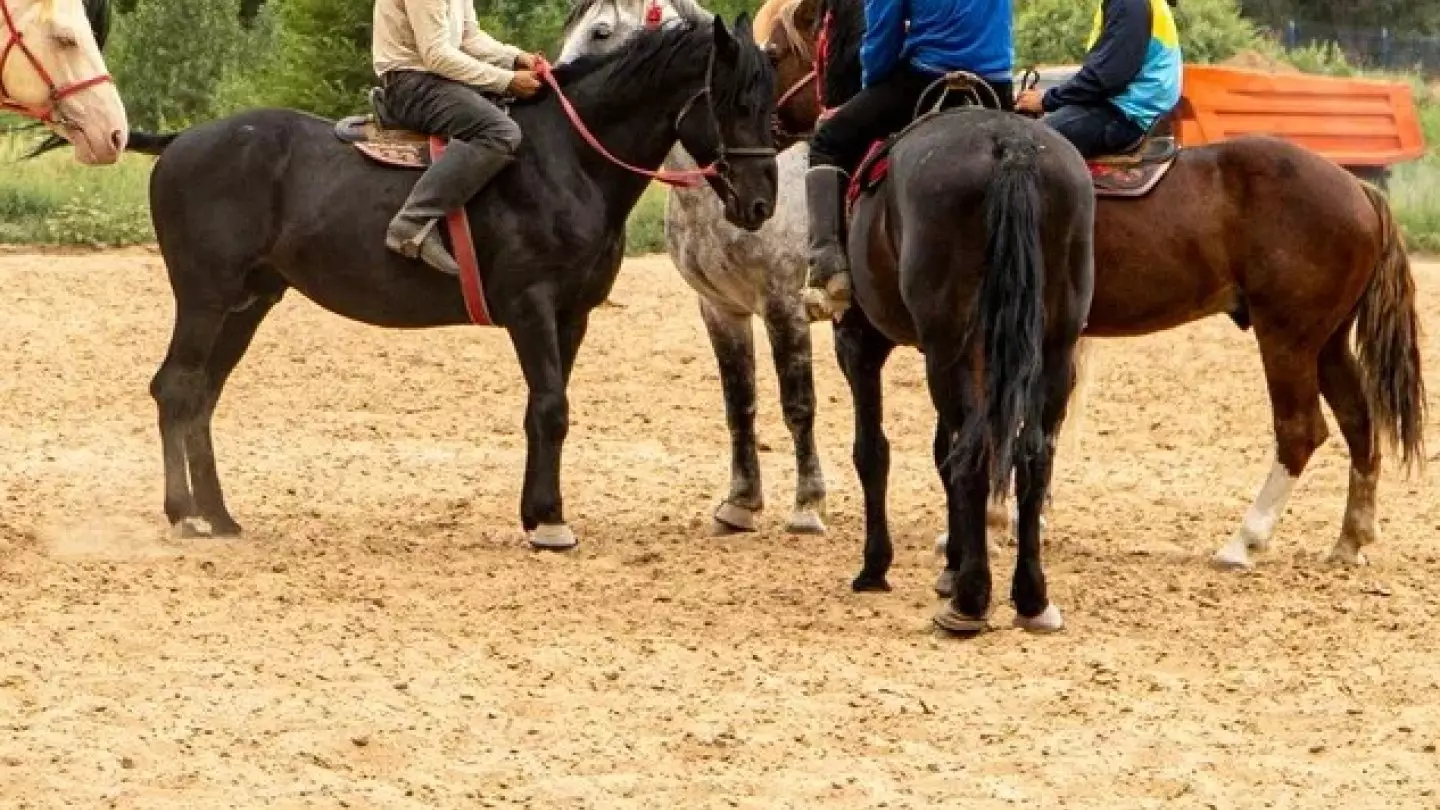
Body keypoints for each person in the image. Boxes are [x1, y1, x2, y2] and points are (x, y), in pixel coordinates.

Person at [805, 0, 1016, 318]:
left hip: (924, 80)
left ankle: (827, 263)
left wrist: (870, 87)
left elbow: (881, 39)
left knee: (827, 141)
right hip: (996, 85)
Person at [372, 0, 545, 275]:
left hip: (435, 80)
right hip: (411, 84)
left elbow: (469, 38)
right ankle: (413, 221)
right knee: (501, 132)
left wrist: (516, 57)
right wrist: (507, 79)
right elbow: (436, 55)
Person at [1015, 0, 1182, 159]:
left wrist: (1047, 100)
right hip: (1133, 109)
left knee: (1024, 143)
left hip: (1125, 116)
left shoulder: (1127, 4)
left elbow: (1105, 78)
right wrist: (1052, 96)